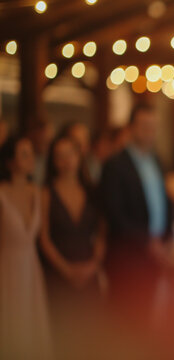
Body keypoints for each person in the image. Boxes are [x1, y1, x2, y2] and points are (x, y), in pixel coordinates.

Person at [99, 103, 174, 324]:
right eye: (144, 126)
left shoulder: (157, 161)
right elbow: (115, 215)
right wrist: (148, 243)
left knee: (151, 320)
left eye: (153, 127)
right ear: (131, 128)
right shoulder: (114, 165)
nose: (149, 132)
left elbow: (165, 203)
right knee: (126, 324)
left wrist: (168, 236)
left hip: (156, 254)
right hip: (128, 258)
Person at [39, 134, 106, 357]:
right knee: (63, 341)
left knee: (92, 340)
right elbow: (44, 238)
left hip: (89, 273)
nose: (66, 161)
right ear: (53, 161)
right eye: (60, 156)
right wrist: (67, 271)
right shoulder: (46, 193)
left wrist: (93, 265)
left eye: (70, 154)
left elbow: (101, 234)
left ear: (79, 156)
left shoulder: (92, 191)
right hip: (58, 276)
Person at [0, 136, 54, 359]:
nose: (31, 157)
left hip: (31, 269)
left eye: (31, 152)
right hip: (6, 268)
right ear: (10, 161)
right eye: (24, 153)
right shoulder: (1, 193)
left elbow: (43, 237)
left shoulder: (38, 192)